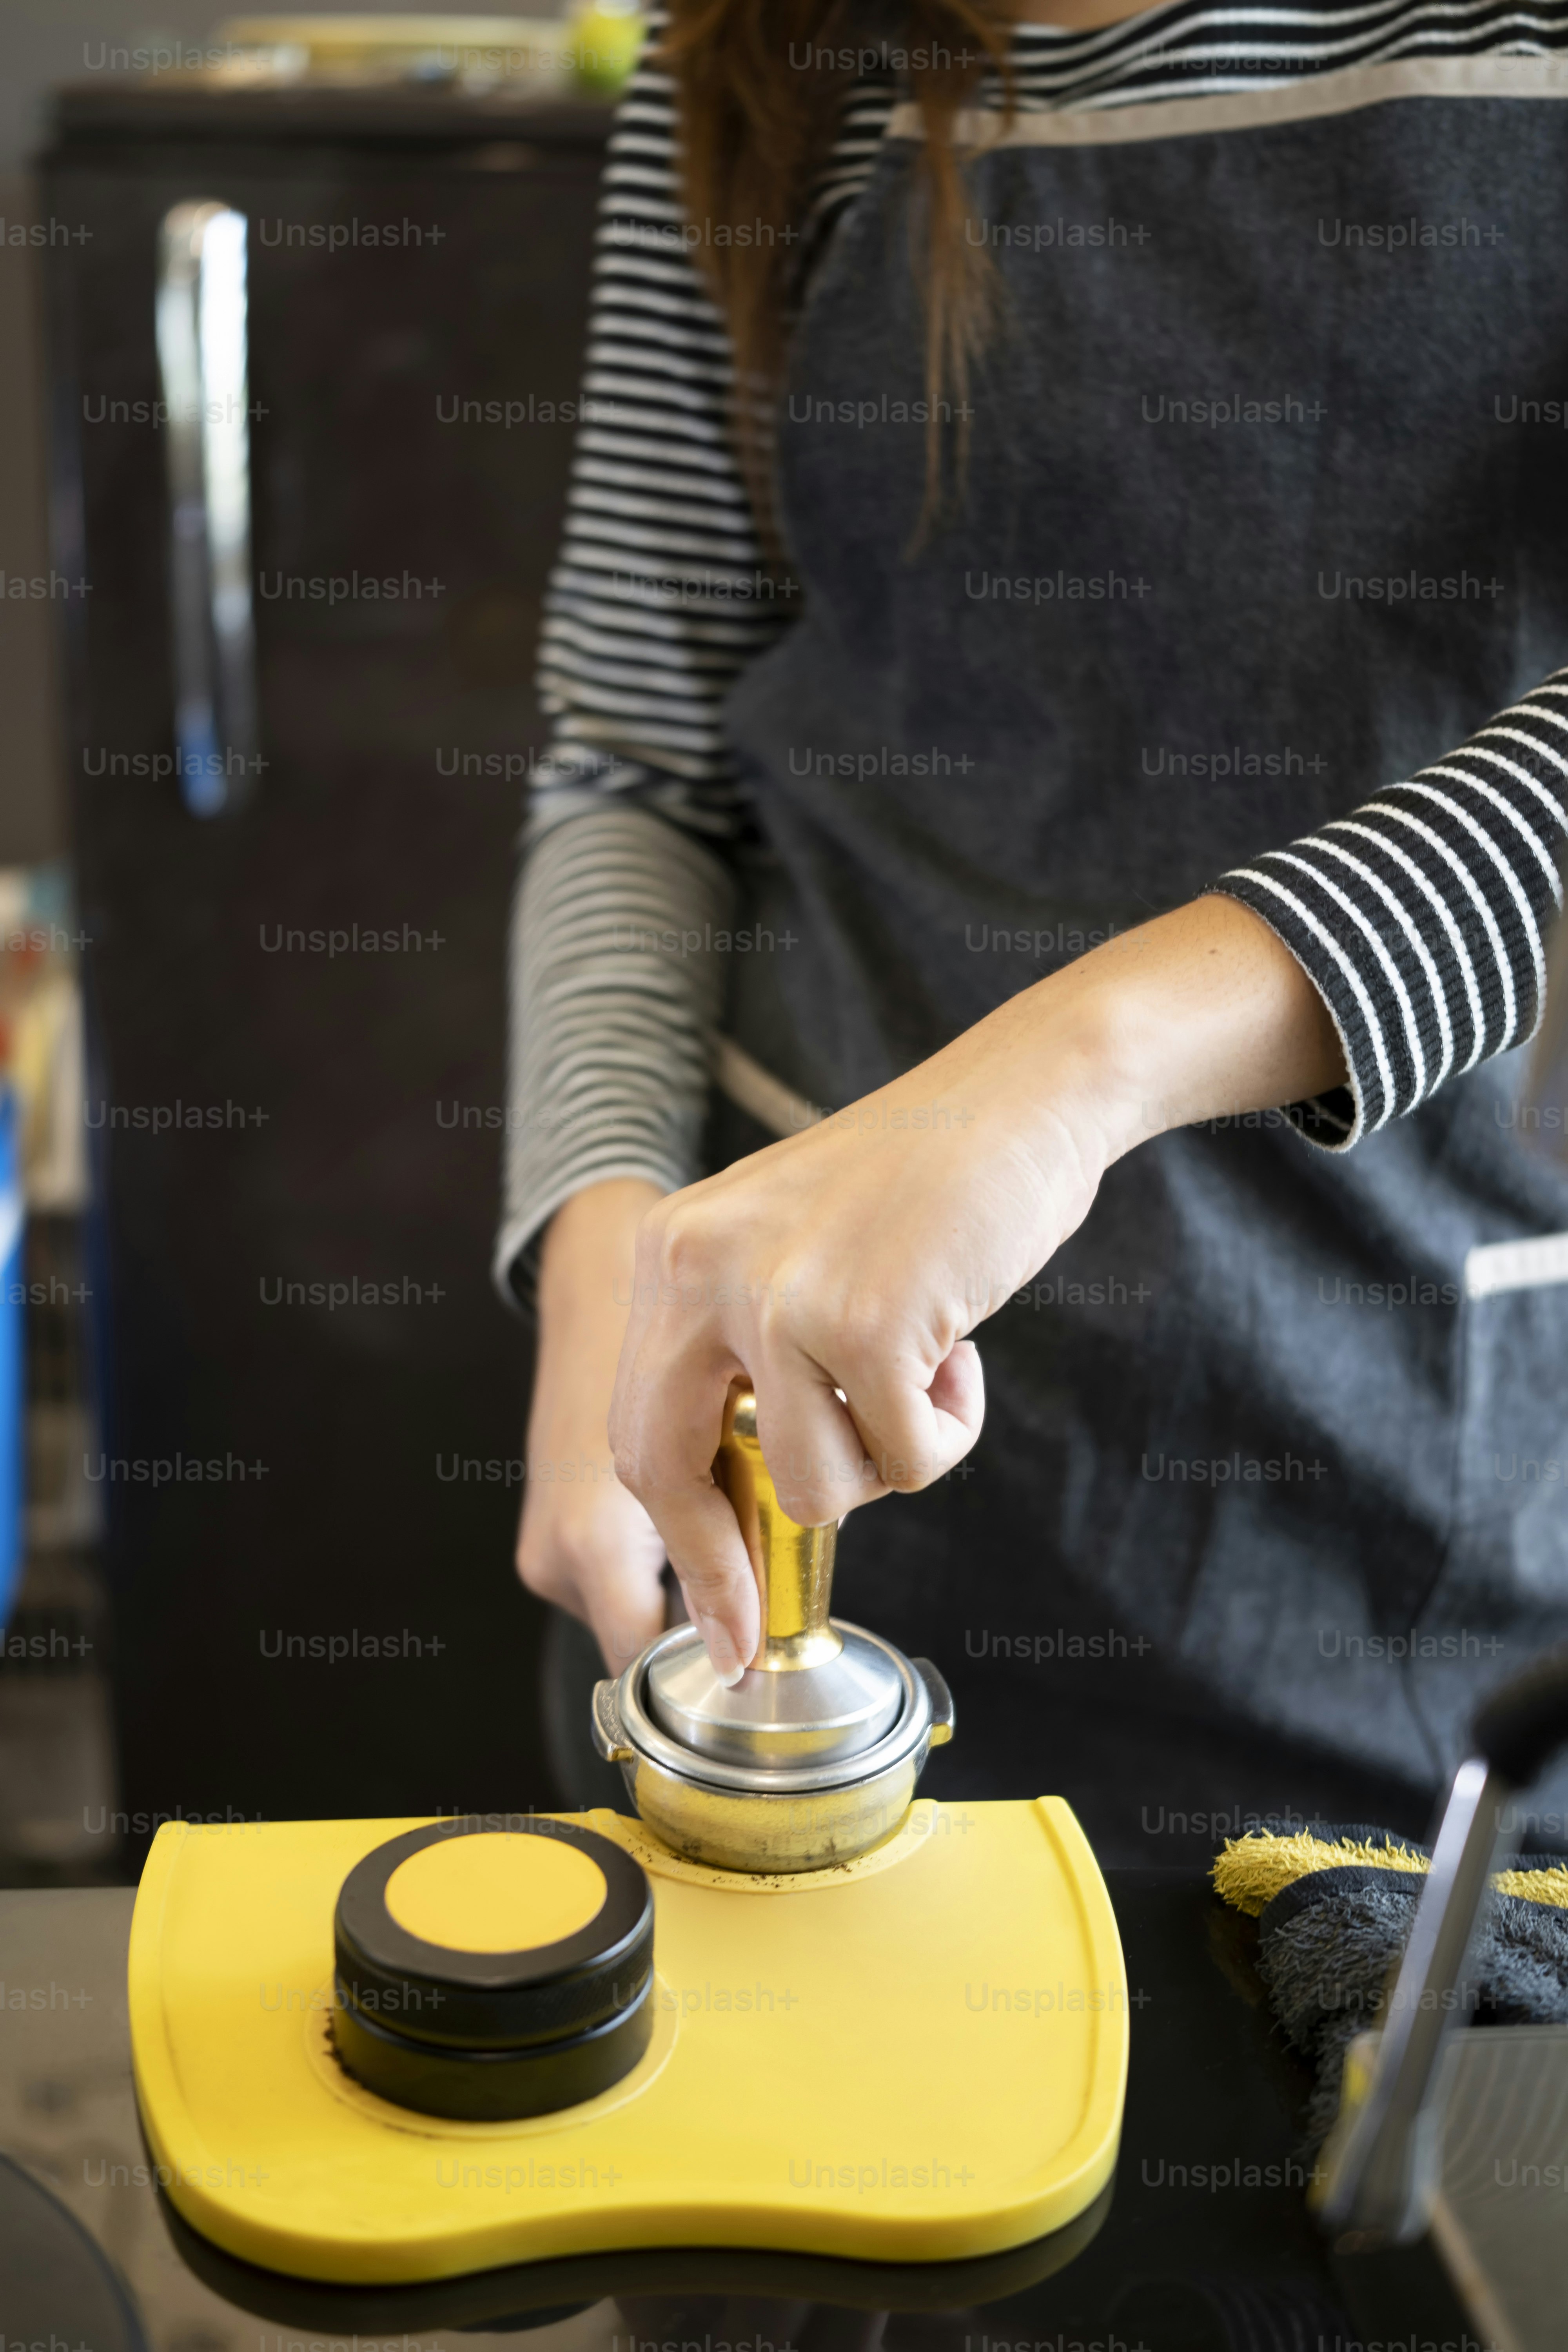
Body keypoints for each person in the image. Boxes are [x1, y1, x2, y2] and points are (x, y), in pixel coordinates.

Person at [497, 0, 1568, 1864]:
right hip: (793, 1447)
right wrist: (603, 1256)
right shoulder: (753, 58)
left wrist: (1072, 1072)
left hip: (1396, 1477)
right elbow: (638, 757)